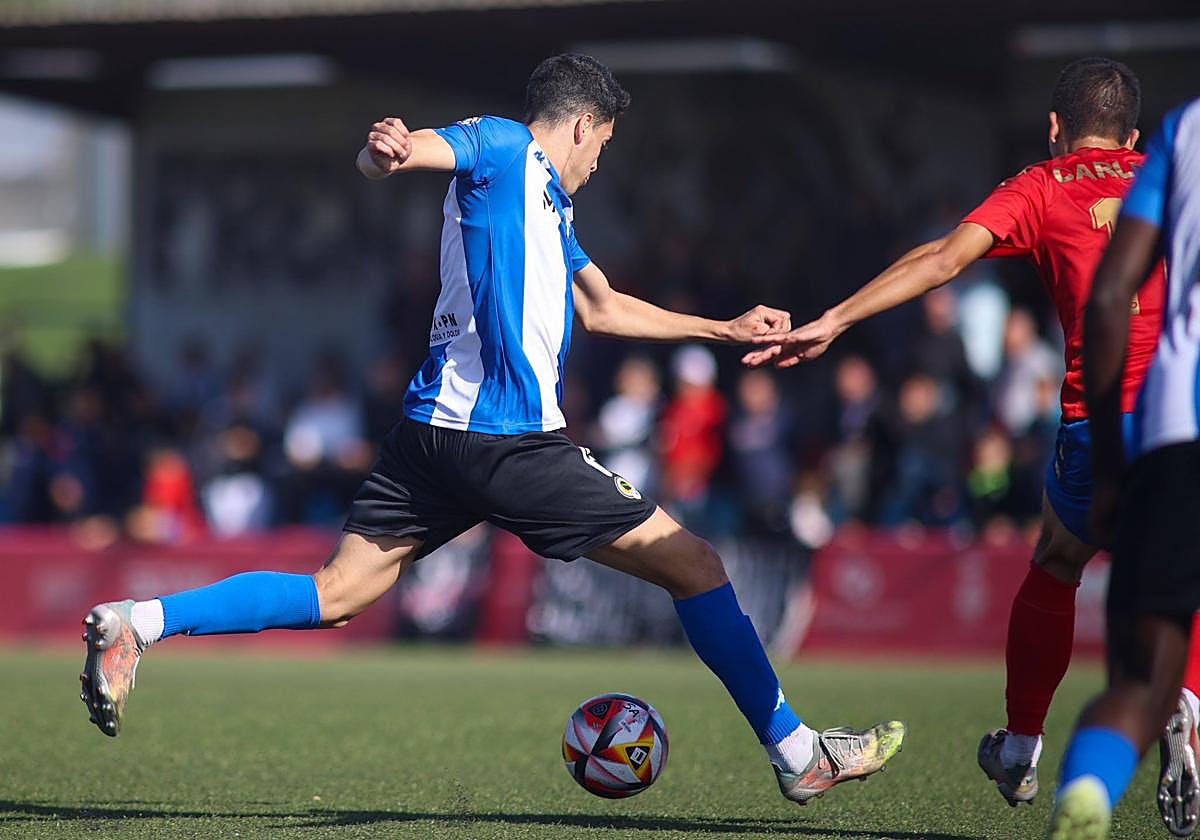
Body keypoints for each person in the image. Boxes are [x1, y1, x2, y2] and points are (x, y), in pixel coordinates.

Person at [79, 54, 903, 804]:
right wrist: (388, 151)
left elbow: (606, 308)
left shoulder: (549, 206)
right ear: (582, 126)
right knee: (695, 564)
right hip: (506, 440)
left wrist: (726, 330)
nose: (597, 162)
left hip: (430, 436)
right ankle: (798, 755)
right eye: (603, 147)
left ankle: (138, 623)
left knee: (339, 594)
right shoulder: (508, 147)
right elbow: (418, 151)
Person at [745, 57, 1191, 811]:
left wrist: (836, 319)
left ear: (1055, 129)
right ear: (1134, 134)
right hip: (1187, 415)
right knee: (1187, 569)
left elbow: (943, 259)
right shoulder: (1170, 174)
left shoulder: (1041, 186)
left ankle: (1019, 748)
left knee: (1055, 562)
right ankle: (1189, 703)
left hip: (1098, 418)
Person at [1048, 97, 1200, 840]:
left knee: (1139, 684)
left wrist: (1110, 466)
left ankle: (1087, 794)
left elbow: (1110, 297)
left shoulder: (1186, 130)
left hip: (1176, 421)